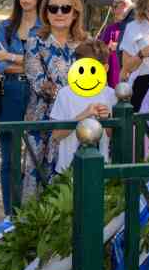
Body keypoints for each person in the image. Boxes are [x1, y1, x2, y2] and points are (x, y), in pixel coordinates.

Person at [21, 0, 86, 200]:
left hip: (78, 122)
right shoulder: (35, 42)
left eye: (65, 8)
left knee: (71, 184)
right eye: (53, 8)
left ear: (75, 13)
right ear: (45, 12)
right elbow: (38, 83)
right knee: (35, 187)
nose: (59, 13)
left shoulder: (86, 44)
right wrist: (70, 93)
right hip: (42, 123)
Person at [0, 0, 42, 214]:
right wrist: (28, 63)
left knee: (38, 153)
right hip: (11, 91)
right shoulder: (6, 27)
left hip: (39, 93)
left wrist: (10, 57)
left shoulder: (46, 25)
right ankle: (11, 213)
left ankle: (35, 211)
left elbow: (44, 63)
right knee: (9, 159)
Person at [49, 40, 117, 173]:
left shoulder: (111, 94)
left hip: (101, 168)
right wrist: (83, 116)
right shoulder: (65, 94)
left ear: (105, 68)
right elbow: (56, 135)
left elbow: (113, 135)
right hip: (67, 170)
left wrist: (107, 119)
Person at [97, 0, 134, 89]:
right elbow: (99, 51)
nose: (113, 11)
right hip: (113, 85)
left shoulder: (136, 25)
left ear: (123, 4)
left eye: (114, 7)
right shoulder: (111, 29)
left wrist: (118, 46)